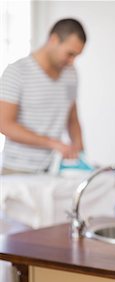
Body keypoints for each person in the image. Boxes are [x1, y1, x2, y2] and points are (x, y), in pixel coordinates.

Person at [0, 18, 87, 174]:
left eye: (76, 56)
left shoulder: (71, 74)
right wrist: (52, 143)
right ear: (53, 40)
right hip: (17, 169)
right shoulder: (17, 72)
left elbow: (72, 118)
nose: (72, 61)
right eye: (70, 54)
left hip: (53, 170)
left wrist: (80, 153)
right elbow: (4, 124)